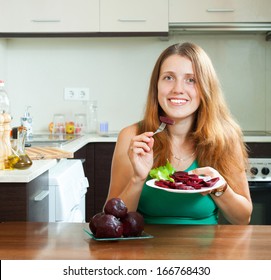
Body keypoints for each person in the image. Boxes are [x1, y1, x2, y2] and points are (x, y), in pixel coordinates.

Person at [105, 42, 252, 225]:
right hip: (145, 249)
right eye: (168, 78)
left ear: (206, 88)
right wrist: (137, 178)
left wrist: (219, 188)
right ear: (156, 85)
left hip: (207, 252)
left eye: (191, 80)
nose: (178, 89)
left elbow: (242, 219)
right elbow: (113, 219)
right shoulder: (131, 136)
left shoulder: (227, 138)